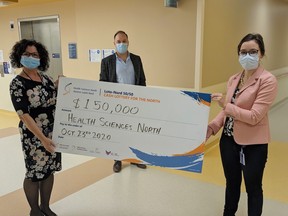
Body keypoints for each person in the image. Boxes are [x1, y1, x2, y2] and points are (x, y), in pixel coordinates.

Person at [206, 33, 278, 216]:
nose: (247, 56)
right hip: (228, 141)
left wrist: (226, 104)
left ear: (261, 53)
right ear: (238, 54)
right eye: (243, 52)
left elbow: (254, 116)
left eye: (253, 52)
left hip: (253, 144)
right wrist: (212, 127)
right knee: (231, 183)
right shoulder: (234, 79)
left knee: (253, 188)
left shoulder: (268, 80)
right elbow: (226, 112)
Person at [9, 39, 61, 216]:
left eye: (35, 55)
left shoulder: (45, 78)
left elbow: (53, 99)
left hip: (52, 133)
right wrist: (43, 139)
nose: (31, 57)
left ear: (41, 58)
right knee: (34, 173)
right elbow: (24, 115)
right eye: (27, 54)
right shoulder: (17, 84)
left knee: (49, 170)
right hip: (34, 137)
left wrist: (60, 86)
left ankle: (46, 206)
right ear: (19, 56)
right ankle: (35, 210)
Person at [100, 30, 147, 173]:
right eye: (119, 41)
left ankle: (134, 159)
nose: (121, 44)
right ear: (114, 43)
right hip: (116, 105)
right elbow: (102, 82)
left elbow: (142, 80)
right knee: (117, 133)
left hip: (134, 103)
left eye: (124, 41)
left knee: (134, 132)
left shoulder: (137, 59)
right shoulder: (107, 62)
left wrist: (144, 100)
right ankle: (117, 160)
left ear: (128, 42)